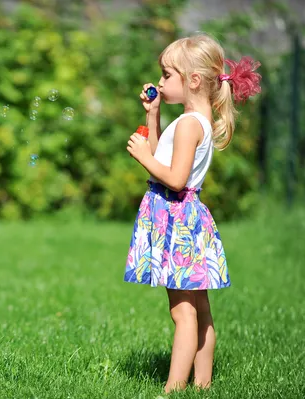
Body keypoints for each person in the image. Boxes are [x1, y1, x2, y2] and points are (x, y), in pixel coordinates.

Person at [124, 33, 261, 393]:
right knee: (200, 308)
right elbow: (164, 161)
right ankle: (202, 385)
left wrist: (141, 156)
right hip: (188, 219)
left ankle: (173, 388)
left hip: (175, 220)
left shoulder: (188, 125)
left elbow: (173, 178)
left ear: (194, 80)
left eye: (167, 75)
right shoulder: (194, 120)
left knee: (182, 312)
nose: (160, 82)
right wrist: (153, 117)